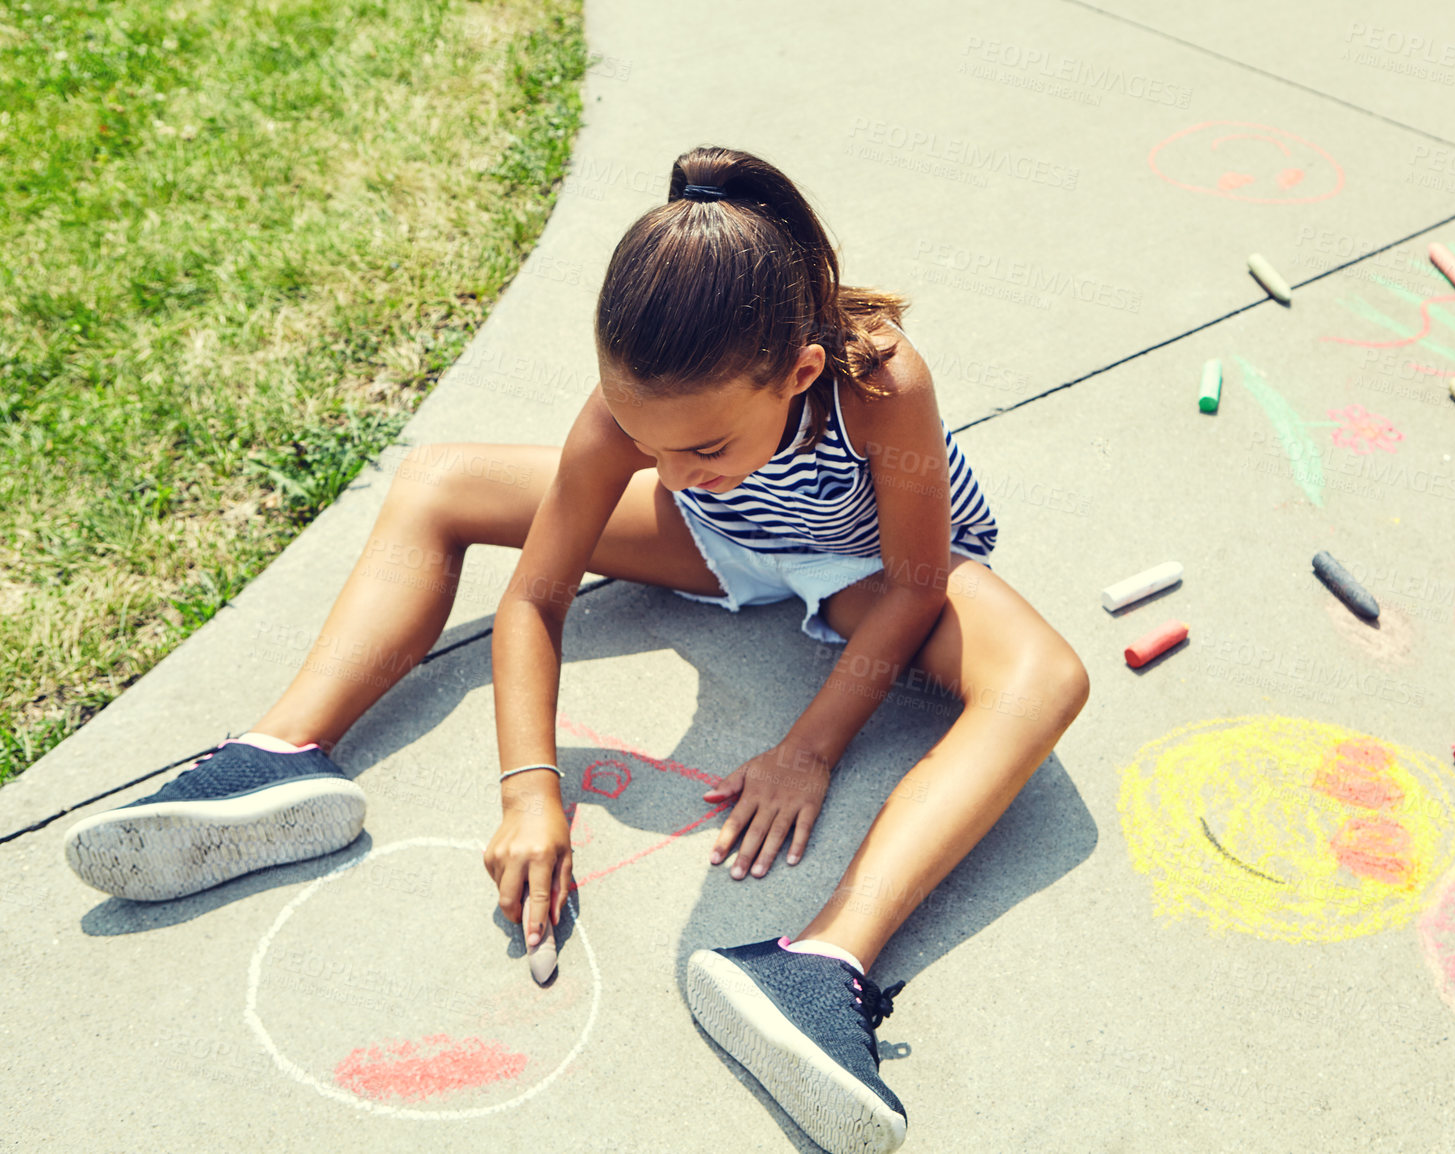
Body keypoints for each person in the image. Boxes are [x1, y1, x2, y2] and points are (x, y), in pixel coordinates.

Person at [62, 145, 1089, 1154]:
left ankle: (817, 962)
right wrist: (530, 789)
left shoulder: (877, 382)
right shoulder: (648, 433)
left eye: (702, 446)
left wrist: (809, 746)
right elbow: (534, 599)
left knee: (1043, 677)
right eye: (647, 444)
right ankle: (277, 755)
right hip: (732, 540)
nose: (670, 469)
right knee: (437, 480)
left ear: (799, 372)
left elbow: (918, 581)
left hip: (871, 562)